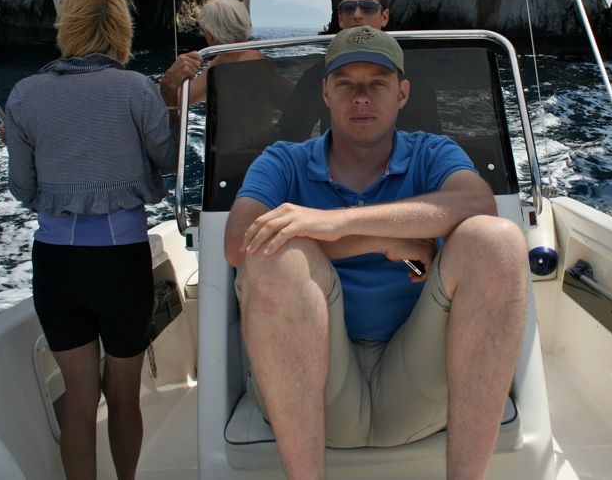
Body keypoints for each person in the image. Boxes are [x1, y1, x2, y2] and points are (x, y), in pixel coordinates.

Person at [226, 26, 528, 479]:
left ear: (402, 93)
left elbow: (476, 204)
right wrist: (387, 241)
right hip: (308, 394)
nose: (361, 97)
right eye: (346, 83)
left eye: (377, 83)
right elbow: (238, 243)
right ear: (325, 92)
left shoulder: (431, 153)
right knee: (272, 257)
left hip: (422, 388)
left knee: (498, 242)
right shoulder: (283, 161)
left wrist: (336, 223)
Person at [4, 0, 186, 480]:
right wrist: (172, 97)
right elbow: (170, 161)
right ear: (121, 31)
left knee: (80, 399)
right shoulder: (136, 90)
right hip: (120, 262)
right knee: (123, 392)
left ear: (67, 27)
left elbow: (23, 188)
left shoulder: (24, 96)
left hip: (56, 264)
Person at [278, 0, 439, 140]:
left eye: (368, 7)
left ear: (384, 17)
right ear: (340, 18)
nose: (357, 15)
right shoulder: (316, 75)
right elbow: (290, 136)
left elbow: (431, 138)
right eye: (348, 8)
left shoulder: (415, 74)